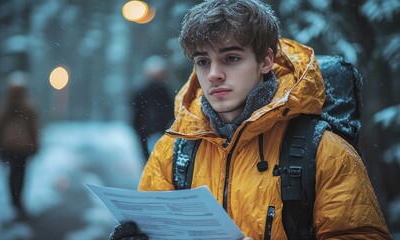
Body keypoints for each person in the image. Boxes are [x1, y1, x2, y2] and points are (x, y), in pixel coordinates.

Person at [110, 0, 391, 239]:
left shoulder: (322, 151)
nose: (213, 75)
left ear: (266, 61)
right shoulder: (174, 151)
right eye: (203, 61)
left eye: (230, 58)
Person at [0, 71, 40, 219]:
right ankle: (17, 201)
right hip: (20, 147)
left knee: (14, 174)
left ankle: (15, 201)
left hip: (13, 146)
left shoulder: (6, 107)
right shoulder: (26, 106)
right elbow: (33, 128)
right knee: (19, 174)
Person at [131, 55, 174, 160]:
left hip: (159, 131)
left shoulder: (165, 92)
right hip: (147, 132)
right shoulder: (142, 93)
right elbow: (137, 116)